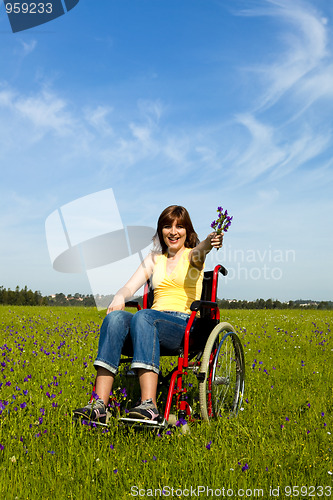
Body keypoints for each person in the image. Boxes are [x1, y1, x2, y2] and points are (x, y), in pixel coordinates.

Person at [73, 205, 223, 423]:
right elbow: (128, 287)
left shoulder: (193, 256)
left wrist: (210, 241)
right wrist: (119, 296)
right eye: (167, 226)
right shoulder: (154, 259)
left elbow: (202, 250)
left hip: (183, 325)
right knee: (115, 318)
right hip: (149, 323)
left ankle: (149, 406)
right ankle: (99, 406)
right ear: (160, 231)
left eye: (179, 226)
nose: (173, 232)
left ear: (187, 231)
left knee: (144, 316)